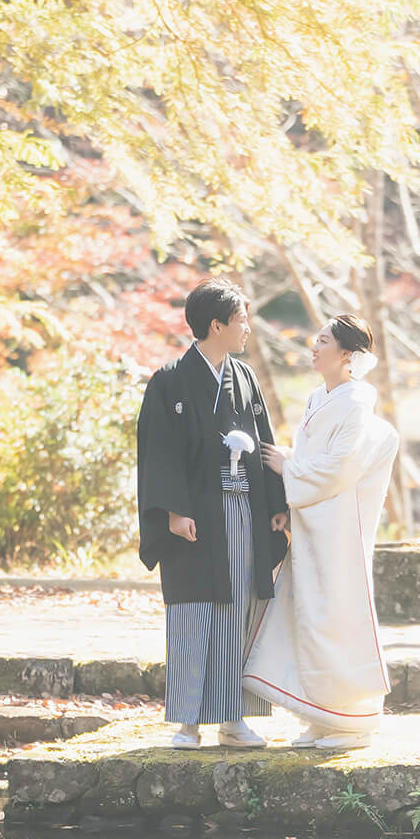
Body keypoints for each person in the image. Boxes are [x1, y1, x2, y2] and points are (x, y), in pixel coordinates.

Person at [136, 280, 289, 749]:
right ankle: (188, 721)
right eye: (241, 319)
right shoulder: (170, 381)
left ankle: (234, 718)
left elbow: (265, 443)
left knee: (240, 604)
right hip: (198, 515)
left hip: (243, 508)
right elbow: (157, 453)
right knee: (196, 609)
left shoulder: (244, 378)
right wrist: (174, 513)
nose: (247, 328)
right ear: (217, 325)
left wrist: (277, 505)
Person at [243, 314, 399, 751]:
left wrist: (287, 467)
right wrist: (288, 508)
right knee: (308, 618)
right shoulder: (319, 397)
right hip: (314, 524)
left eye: (323, 341)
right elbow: (318, 459)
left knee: (335, 617)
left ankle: (354, 721)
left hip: (338, 529)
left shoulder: (355, 403)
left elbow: (339, 468)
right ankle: (321, 714)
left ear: (347, 356)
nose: (313, 346)